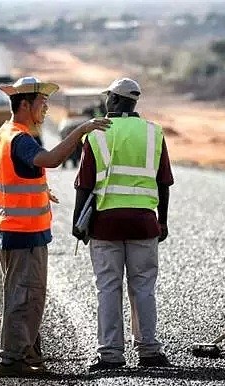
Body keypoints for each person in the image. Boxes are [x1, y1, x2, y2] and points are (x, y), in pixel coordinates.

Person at [0, 76, 110, 378]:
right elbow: (52, 160)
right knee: (26, 295)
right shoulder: (20, 138)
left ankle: (27, 351)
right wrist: (81, 131)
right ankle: (12, 359)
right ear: (25, 105)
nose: (45, 109)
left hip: (12, 228)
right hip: (23, 232)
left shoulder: (3, 134)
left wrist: (41, 191)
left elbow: (14, 178)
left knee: (23, 293)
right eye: (42, 104)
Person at [72, 77, 174, 372]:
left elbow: (84, 185)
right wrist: (162, 221)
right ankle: (149, 351)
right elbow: (164, 183)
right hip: (144, 222)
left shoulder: (96, 134)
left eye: (108, 98)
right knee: (143, 287)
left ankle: (110, 355)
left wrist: (78, 222)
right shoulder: (154, 133)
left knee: (108, 287)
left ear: (115, 100)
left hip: (105, 225)